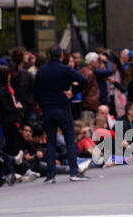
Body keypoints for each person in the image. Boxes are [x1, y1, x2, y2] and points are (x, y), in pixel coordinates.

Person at [34, 44, 89, 183]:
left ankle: (51, 175)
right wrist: (72, 93)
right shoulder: (65, 70)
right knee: (70, 140)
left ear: (49, 56)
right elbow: (84, 80)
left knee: (51, 142)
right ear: (62, 56)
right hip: (63, 106)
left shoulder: (41, 71)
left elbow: (36, 92)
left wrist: (43, 104)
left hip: (48, 108)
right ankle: (73, 171)